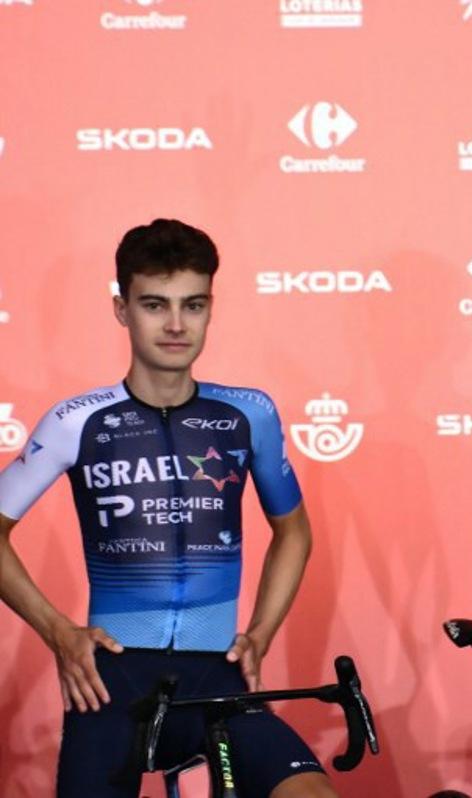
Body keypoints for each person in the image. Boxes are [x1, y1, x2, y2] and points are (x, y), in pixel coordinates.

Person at [0, 219, 337, 798]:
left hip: (217, 675)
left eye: (194, 305)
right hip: (110, 681)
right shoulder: (76, 421)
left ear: (211, 306)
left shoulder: (248, 413)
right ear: (121, 308)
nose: (177, 325)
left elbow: (294, 532)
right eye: (155, 305)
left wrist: (259, 633)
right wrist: (58, 632)